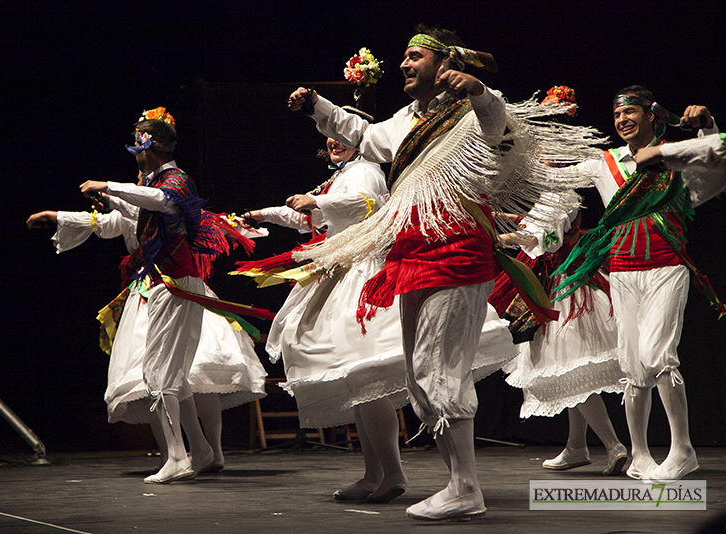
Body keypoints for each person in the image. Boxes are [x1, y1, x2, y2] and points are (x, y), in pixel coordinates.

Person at [288, 26, 597, 520]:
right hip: (413, 251)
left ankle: (465, 488)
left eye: (414, 56)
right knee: (419, 379)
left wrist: (479, 91)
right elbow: (364, 135)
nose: (405, 64)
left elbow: (500, 131)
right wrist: (318, 108)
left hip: (456, 250)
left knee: (440, 372)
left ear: (442, 63)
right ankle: (457, 484)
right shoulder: (405, 120)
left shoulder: (469, 114)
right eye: (404, 57)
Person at [552, 86, 721, 482]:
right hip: (623, 271)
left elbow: (716, 159)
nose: (622, 120)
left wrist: (707, 125)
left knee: (658, 354)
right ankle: (640, 455)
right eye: (617, 115)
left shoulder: (672, 156)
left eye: (630, 112)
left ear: (651, 115)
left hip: (666, 266)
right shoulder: (604, 163)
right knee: (632, 364)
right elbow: (554, 177)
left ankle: (683, 450)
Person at [26, 202, 267, 473]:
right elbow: (100, 222)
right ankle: (176, 455)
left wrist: (242, 222)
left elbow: (208, 221)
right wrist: (54, 214)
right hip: (153, 291)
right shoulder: (138, 206)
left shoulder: (153, 201)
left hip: (177, 287)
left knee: (196, 374)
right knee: (167, 378)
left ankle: (202, 453)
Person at [76, 110, 249, 483]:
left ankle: (176, 457)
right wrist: (111, 198)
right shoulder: (162, 182)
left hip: (175, 282)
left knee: (158, 372)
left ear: (150, 147)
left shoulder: (176, 180)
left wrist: (109, 184)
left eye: (139, 145)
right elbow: (144, 208)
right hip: (169, 282)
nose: (136, 154)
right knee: (173, 375)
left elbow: (156, 199)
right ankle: (199, 451)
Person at [240, 134, 411, 503]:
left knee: (363, 373)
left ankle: (392, 471)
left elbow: (361, 204)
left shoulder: (365, 170)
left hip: (359, 272)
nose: (334, 141)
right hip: (340, 270)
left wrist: (316, 199)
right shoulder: (344, 173)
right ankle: (373, 473)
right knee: (354, 380)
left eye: (343, 135)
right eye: (330, 137)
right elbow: (311, 218)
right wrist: (262, 214)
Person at [494, 190, 628, 476]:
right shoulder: (551, 195)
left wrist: (499, 240)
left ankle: (614, 445)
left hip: (565, 289)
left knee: (569, 371)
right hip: (558, 283)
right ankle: (576, 446)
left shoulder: (559, 196)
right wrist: (500, 218)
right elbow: (535, 224)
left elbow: (542, 239)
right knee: (566, 370)